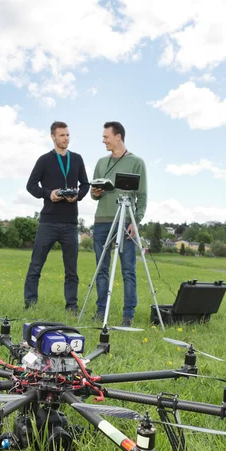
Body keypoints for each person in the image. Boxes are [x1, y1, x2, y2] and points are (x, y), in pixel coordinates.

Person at [24, 121, 89, 312]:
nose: (66, 138)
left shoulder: (77, 159)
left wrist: (78, 195)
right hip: (48, 222)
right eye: (62, 135)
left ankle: (72, 306)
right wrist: (49, 194)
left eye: (68, 135)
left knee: (71, 271)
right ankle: (30, 304)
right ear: (53, 137)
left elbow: (85, 184)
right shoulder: (44, 160)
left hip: (70, 223)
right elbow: (31, 185)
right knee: (36, 266)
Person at [91, 121, 147, 327]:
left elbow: (142, 195)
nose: (103, 140)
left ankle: (128, 316)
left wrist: (136, 221)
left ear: (118, 137)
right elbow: (93, 194)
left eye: (106, 136)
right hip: (102, 221)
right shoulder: (100, 163)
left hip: (125, 222)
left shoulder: (136, 162)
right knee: (101, 269)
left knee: (128, 270)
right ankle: (100, 311)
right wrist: (95, 192)